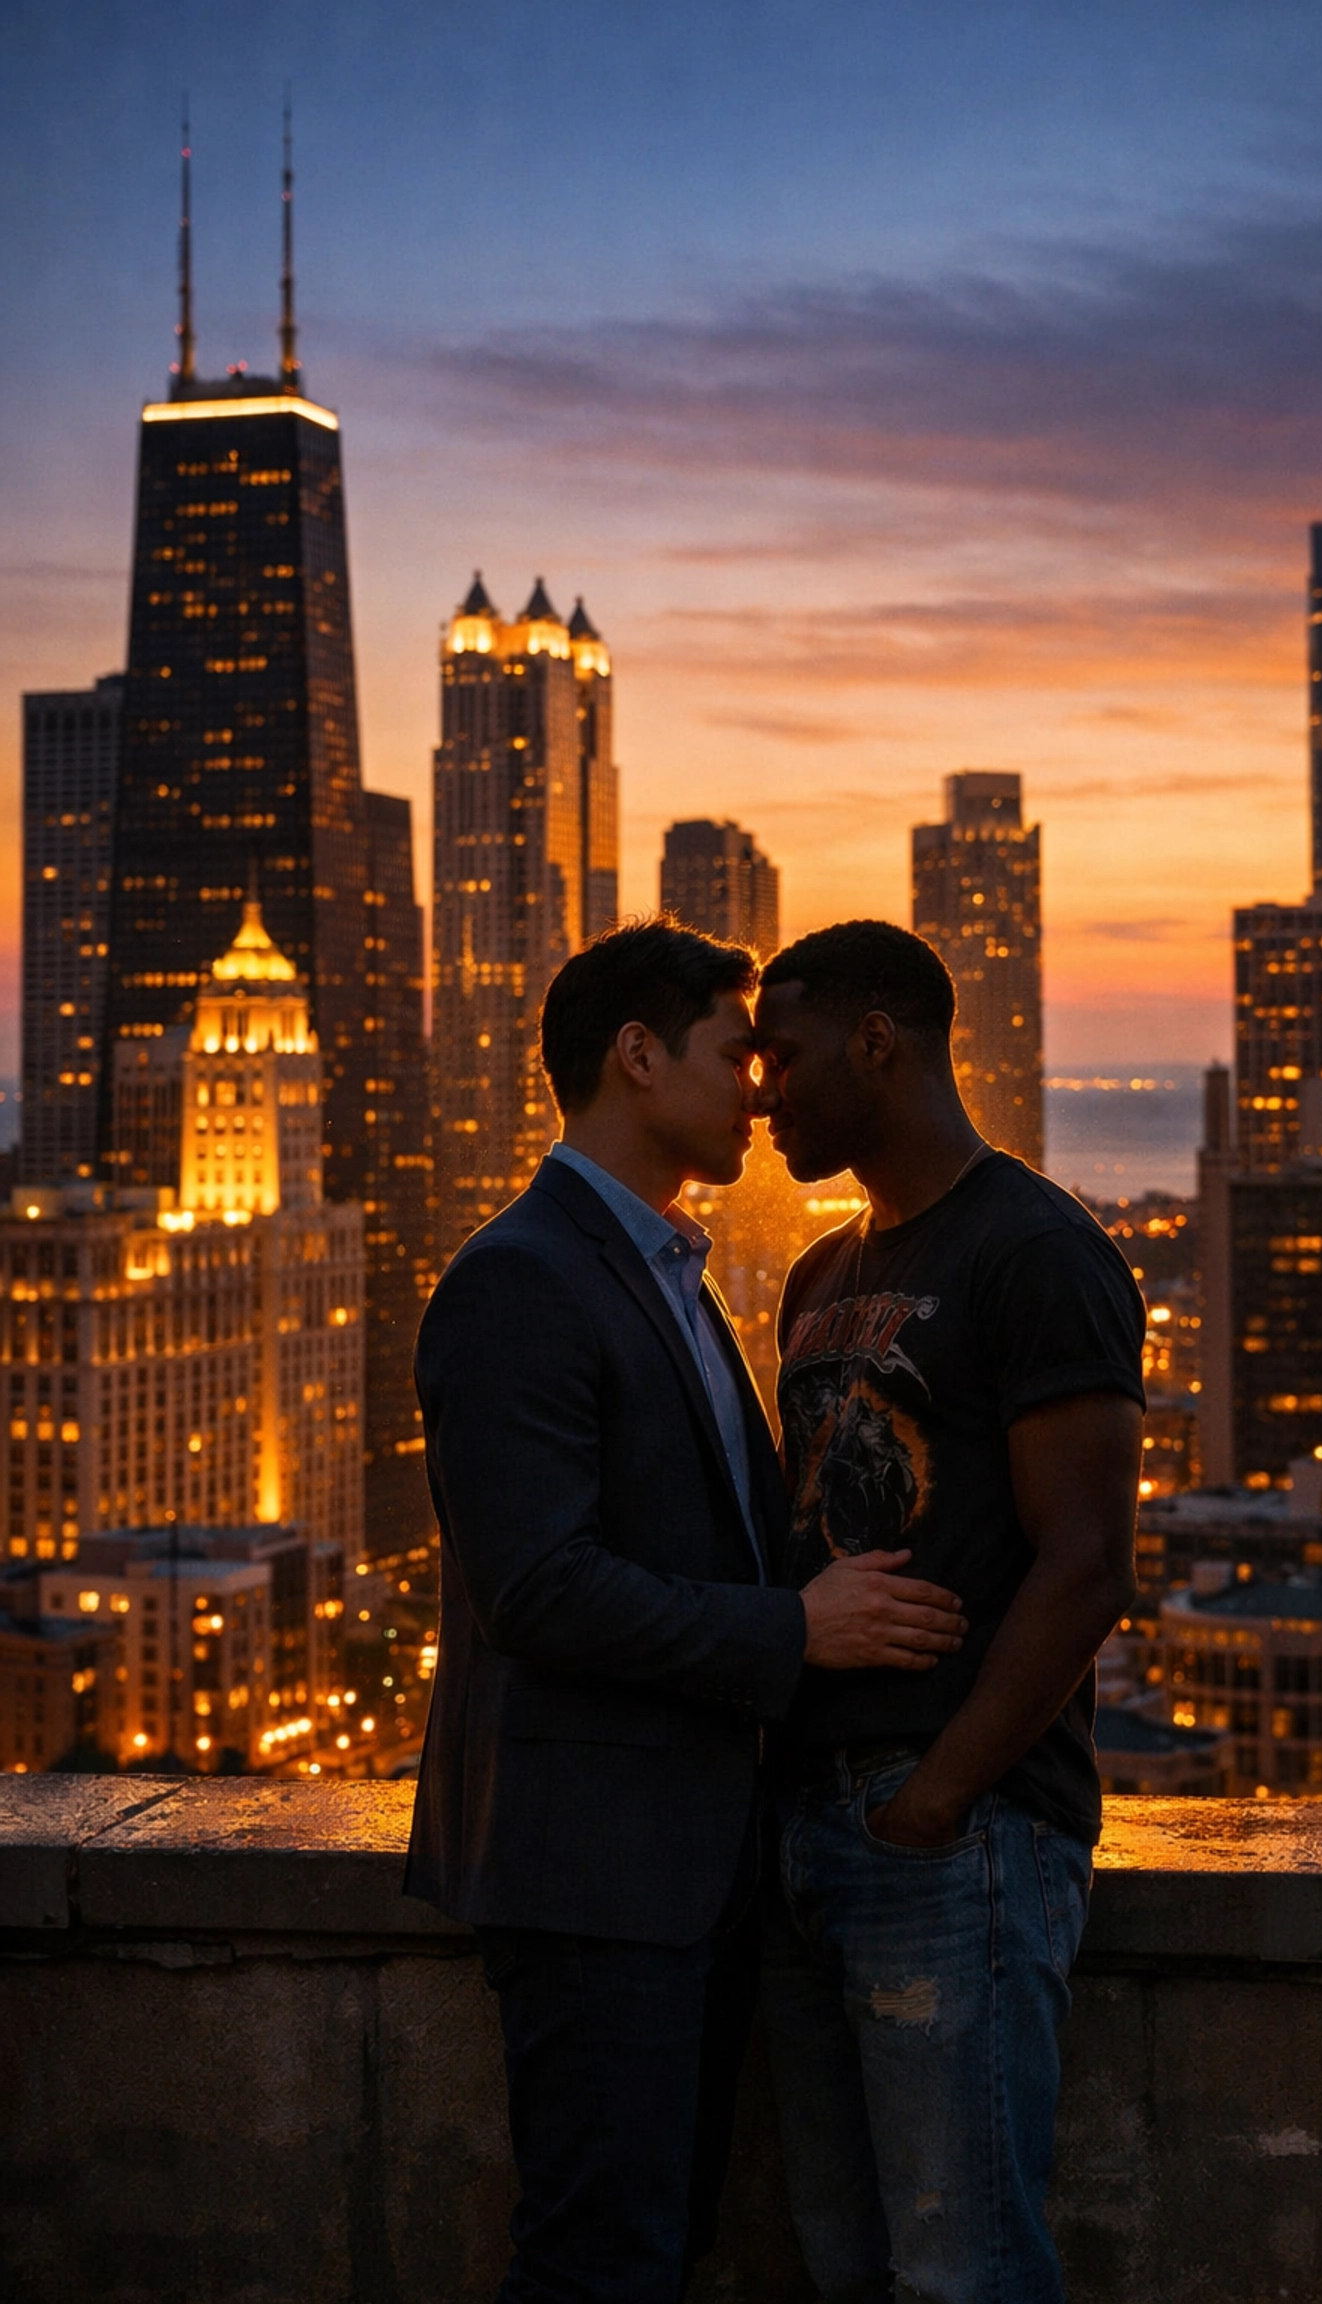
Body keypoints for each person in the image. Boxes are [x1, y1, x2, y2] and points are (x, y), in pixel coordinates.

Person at [405, 919, 968, 2304]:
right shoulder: (519, 1280)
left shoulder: (684, 1281)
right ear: (639, 1057)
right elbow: (535, 1586)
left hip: (686, 1882)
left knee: (659, 2250)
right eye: (736, 1053)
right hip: (592, 1883)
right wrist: (799, 1633)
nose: (763, 1089)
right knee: (606, 2260)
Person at [752, 920, 1146, 2304]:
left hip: (954, 1841)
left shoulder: (1036, 1249)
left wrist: (937, 1797)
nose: (761, 1090)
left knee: (961, 2272)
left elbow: (1090, 1563)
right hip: (808, 1836)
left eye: (783, 1055)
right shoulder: (820, 1274)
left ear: (880, 1043)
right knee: (845, 2264)